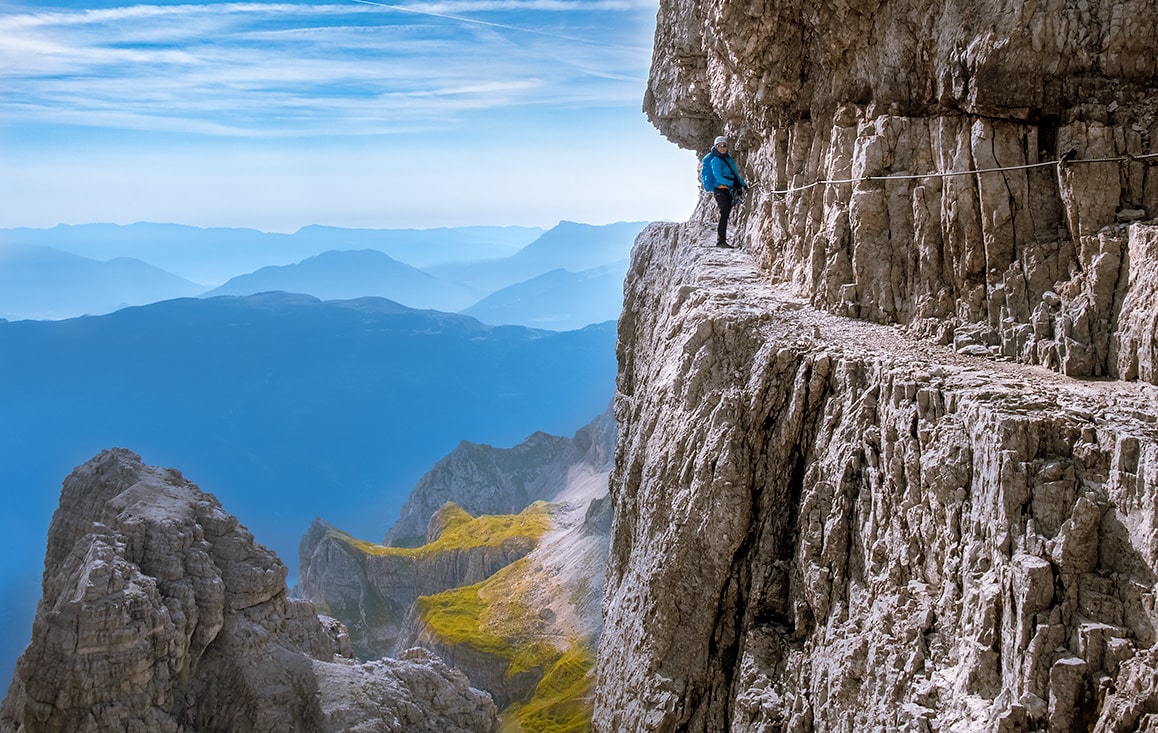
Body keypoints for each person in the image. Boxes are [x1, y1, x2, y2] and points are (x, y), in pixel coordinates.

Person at [701, 135, 748, 248]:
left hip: (729, 189)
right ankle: (720, 241)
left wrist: (743, 185)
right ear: (716, 147)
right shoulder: (715, 160)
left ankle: (722, 240)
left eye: (724, 146)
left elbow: (735, 175)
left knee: (726, 213)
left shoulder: (729, 159)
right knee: (724, 212)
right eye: (720, 146)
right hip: (720, 190)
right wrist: (733, 184)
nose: (722, 148)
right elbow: (718, 177)